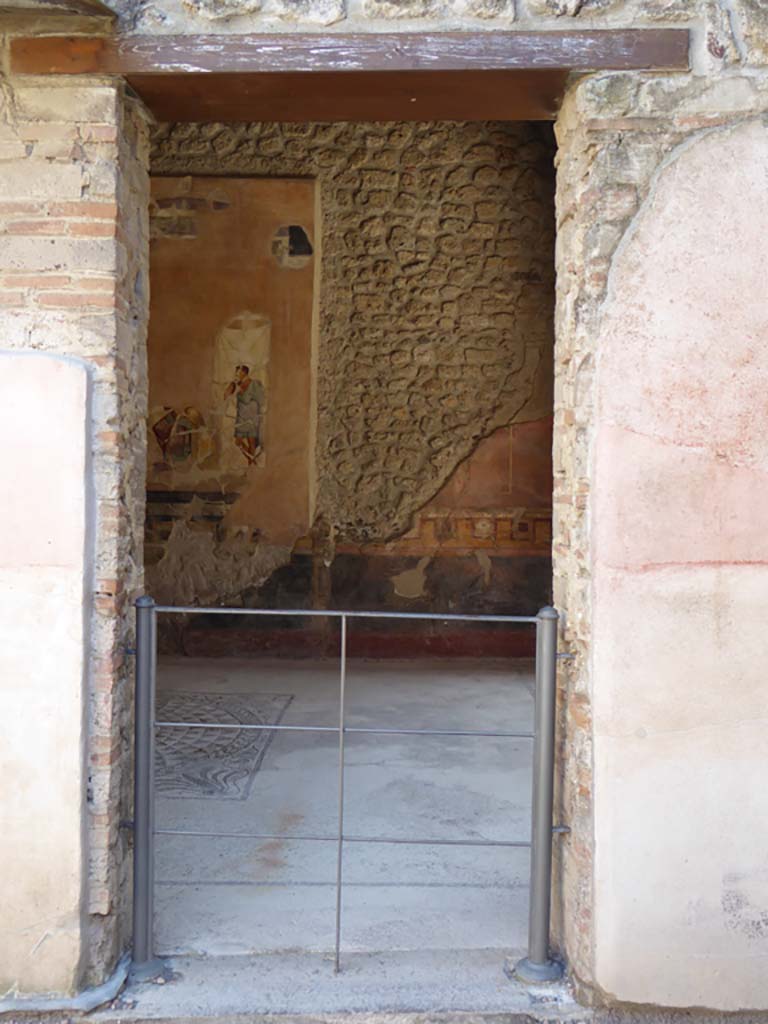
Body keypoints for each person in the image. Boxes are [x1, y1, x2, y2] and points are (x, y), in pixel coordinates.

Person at [225, 364, 264, 465]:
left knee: (251, 442)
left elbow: (260, 400)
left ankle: (250, 465)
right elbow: (225, 396)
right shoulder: (237, 384)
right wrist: (232, 384)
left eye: (238, 372)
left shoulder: (254, 384)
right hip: (241, 418)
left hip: (251, 417)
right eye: (236, 372)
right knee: (238, 442)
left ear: (244, 373)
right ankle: (252, 461)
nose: (236, 374)